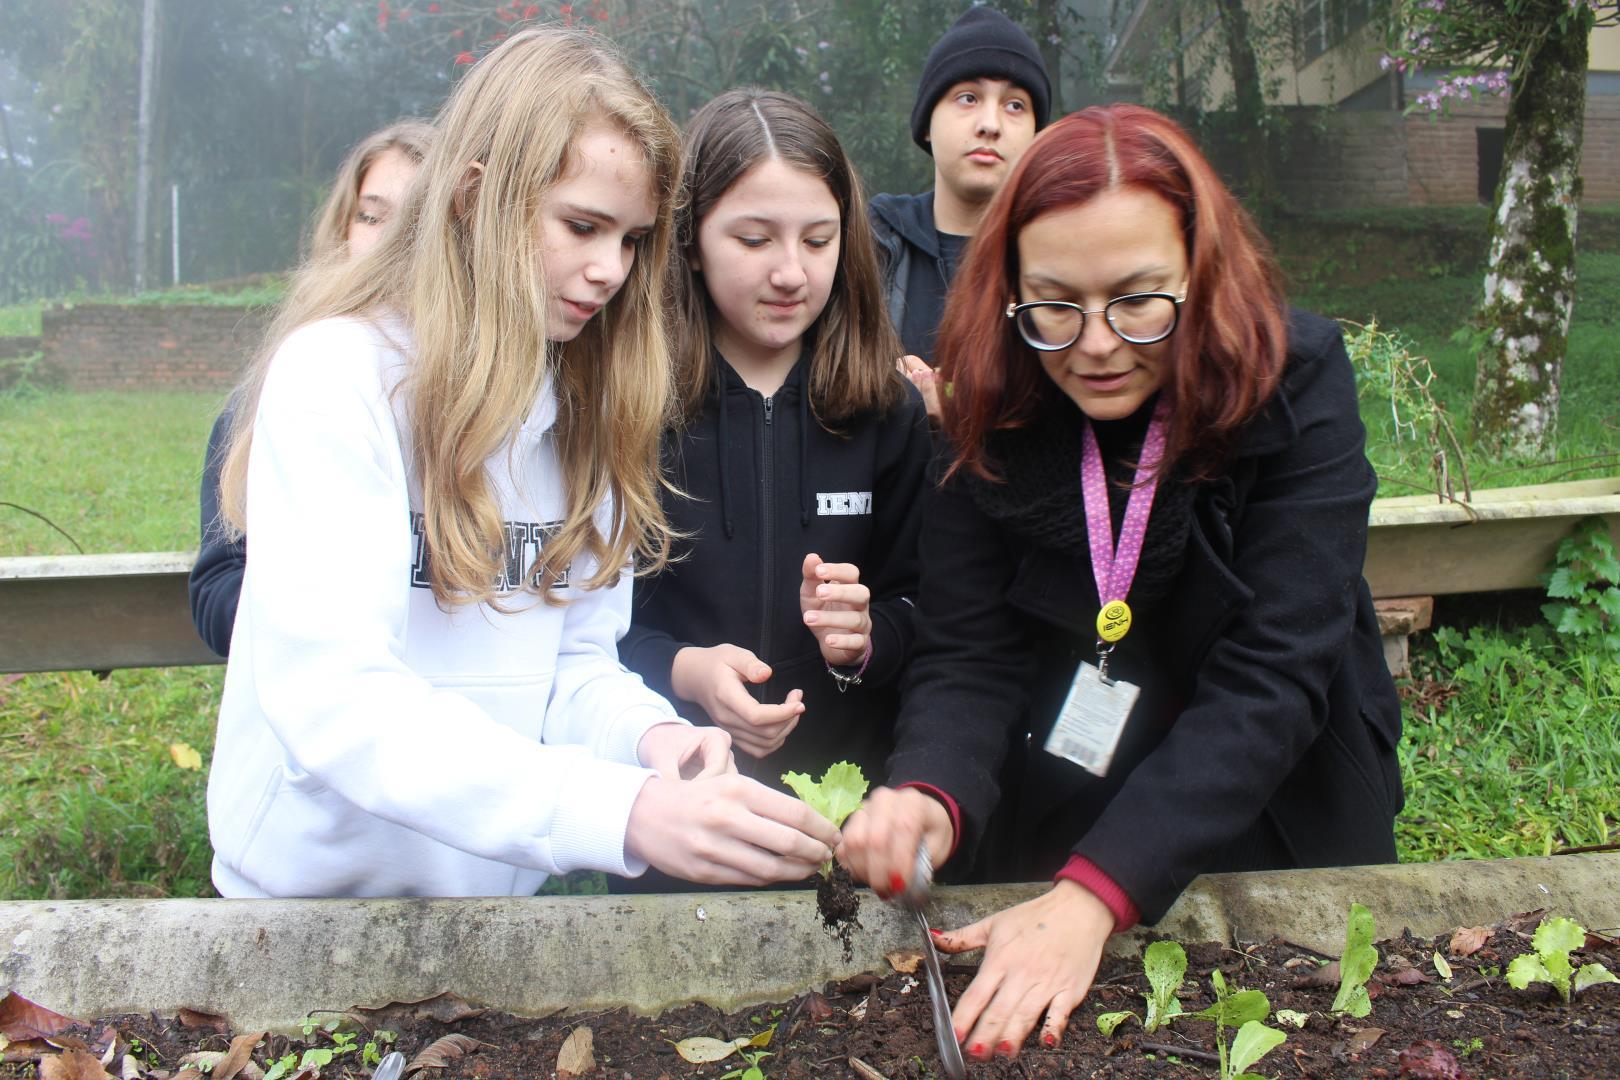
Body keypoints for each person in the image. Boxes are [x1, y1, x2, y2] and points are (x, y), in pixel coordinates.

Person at [204, 28, 839, 898]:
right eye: (582, 226)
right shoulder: (337, 378)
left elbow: (572, 668)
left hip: (492, 929)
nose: (610, 269)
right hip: (303, 919)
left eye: (632, 239)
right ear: (474, 199)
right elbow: (336, 700)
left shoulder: (586, 409)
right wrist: (624, 813)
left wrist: (652, 740)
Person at [839, 104, 1403, 1060]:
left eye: (1140, 300)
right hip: (1076, 781)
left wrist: (1098, 894)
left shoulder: (1292, 381)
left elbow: (1274, 676)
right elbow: (968, 654)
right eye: (1054, 303)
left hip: (1273, 795)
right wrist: (928, 791)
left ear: (1202, 269)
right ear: (1008, 286)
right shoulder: (987, 403)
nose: (1096, 344)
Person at [618, 89, 932, 806]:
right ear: (690, 241)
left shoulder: (888, 411)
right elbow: (590, 632)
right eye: (754, 240)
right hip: (681, 805)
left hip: (848, 812)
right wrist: (685, 671)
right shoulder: (631, 408)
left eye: (818, 240)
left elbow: (930, 611)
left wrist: (864, 640)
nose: (791, 272)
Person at [189, 119, 436, 658]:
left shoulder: (515, 407)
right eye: (372, 216)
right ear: (343, 227)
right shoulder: (275, 393)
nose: (390, 242)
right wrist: (315, 630)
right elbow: (215, 586)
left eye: (418, 221)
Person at [869, 6, 1051, 414]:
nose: (990, 123)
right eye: (967, 98)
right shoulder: (868, 246)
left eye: (1016, 105)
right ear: (927, 124)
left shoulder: (1061, 256)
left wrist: (954, 402)